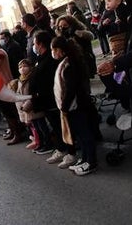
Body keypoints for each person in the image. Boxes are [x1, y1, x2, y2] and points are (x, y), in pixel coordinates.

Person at [52, 35, 96, 175]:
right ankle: (84, 158)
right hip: (72, 106)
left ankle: (91, 162)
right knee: (80, 135)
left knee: (85, 134)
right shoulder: (66, 62)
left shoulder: (70, 65)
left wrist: (64, 107)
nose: (53, 53)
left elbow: (71, 90)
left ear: (59, 50)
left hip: (76, 106)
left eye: (53, 50)